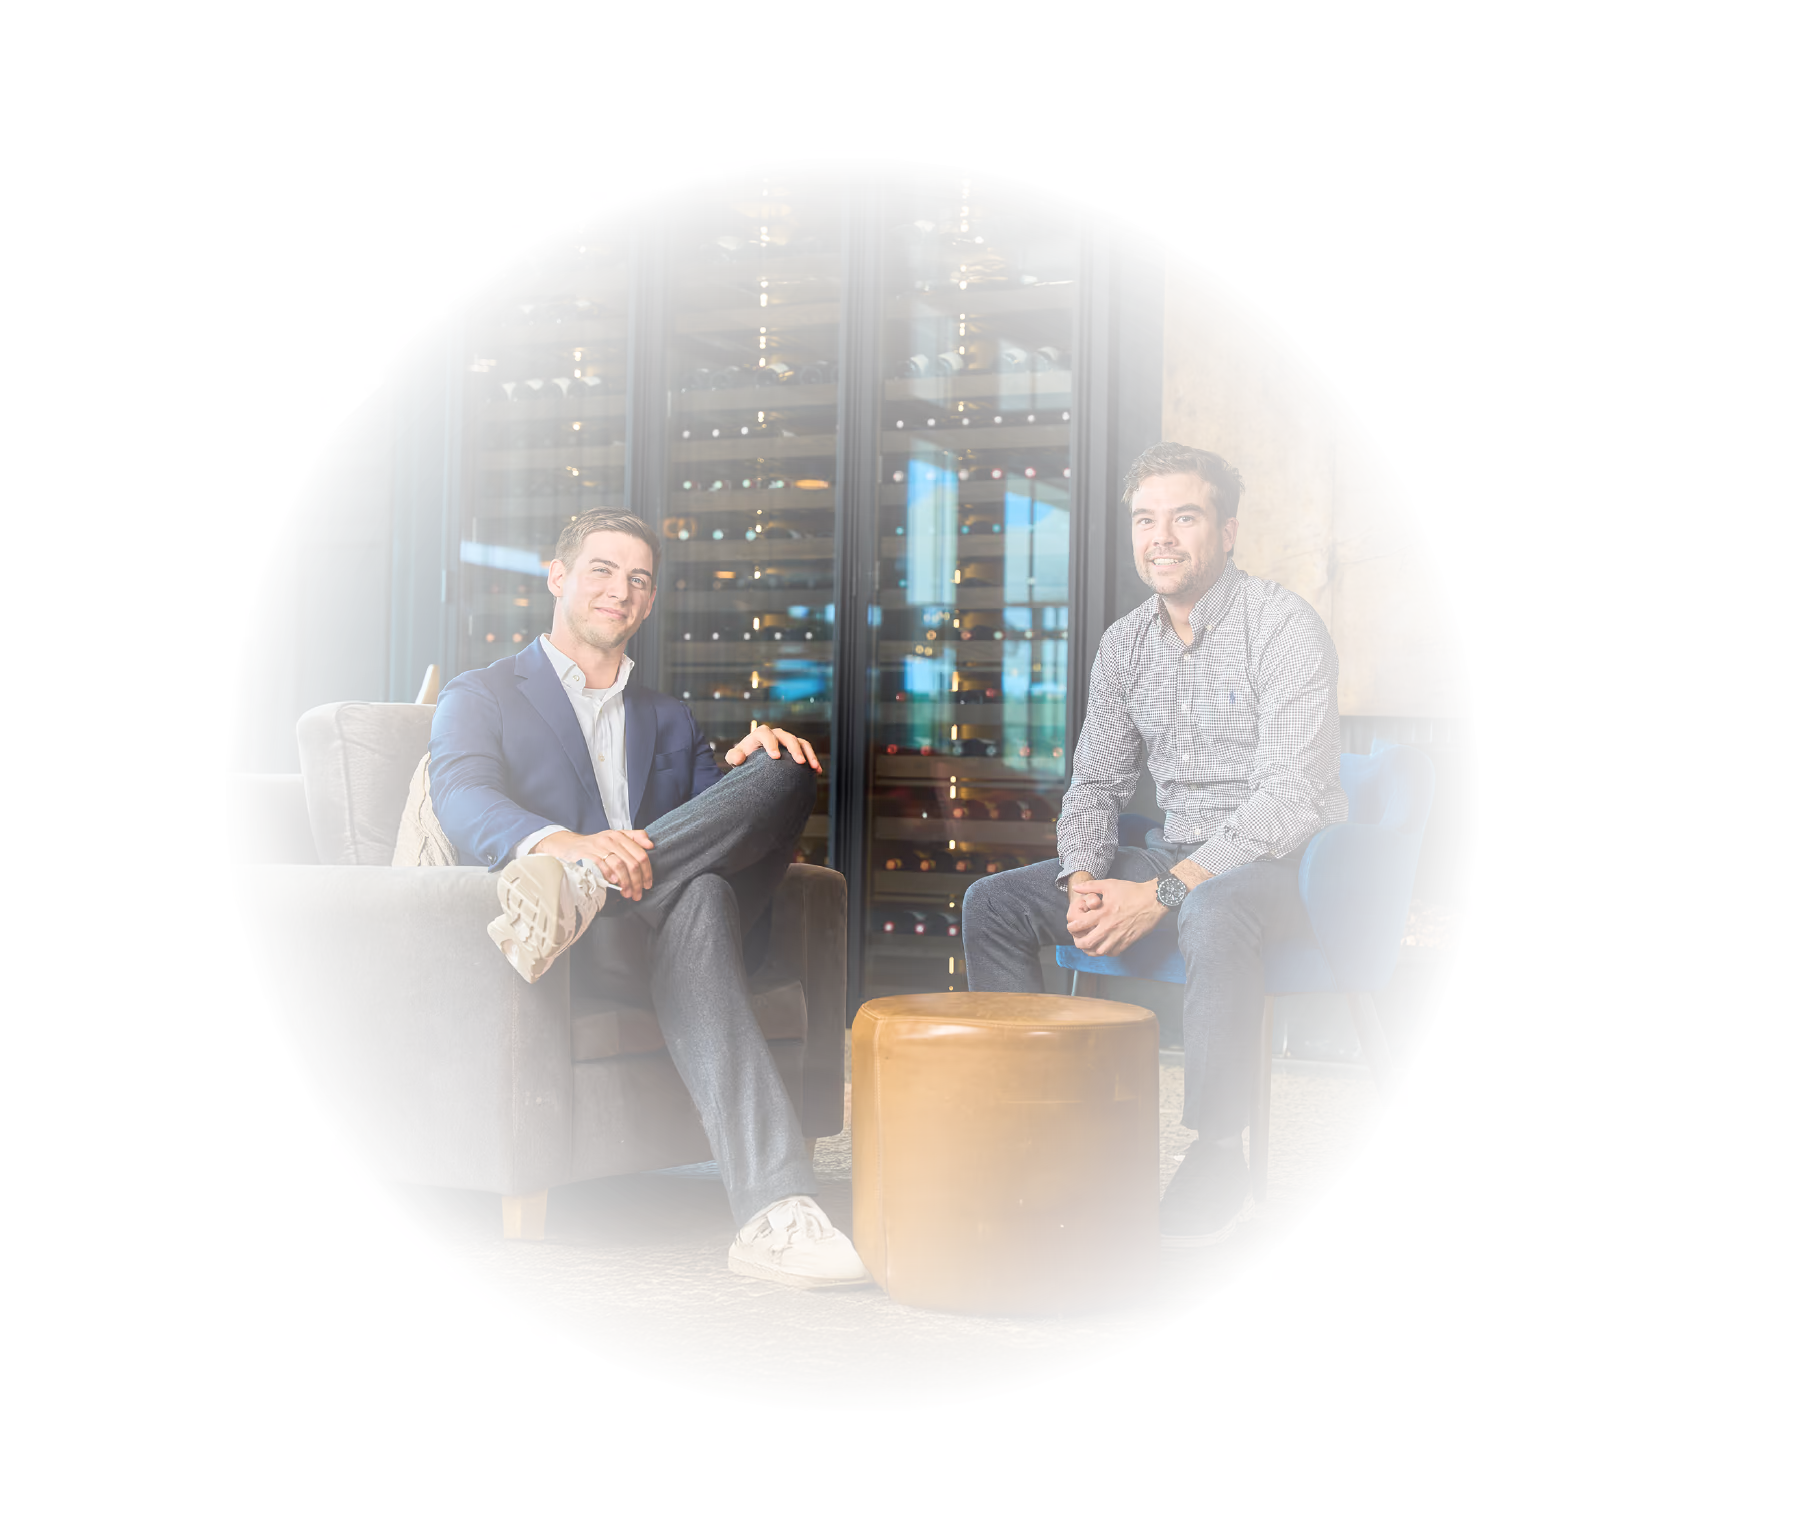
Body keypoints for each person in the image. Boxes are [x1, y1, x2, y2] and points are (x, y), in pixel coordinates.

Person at [428, 508, 870, 1291]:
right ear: (558, 579)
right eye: (601, 569)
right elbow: (462, 796)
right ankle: (776, 1213)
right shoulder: (485, 693)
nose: (619, 590)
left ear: (650, 602)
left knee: (783, 769)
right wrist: (570, 846)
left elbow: (721, 827)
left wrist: (737, 772)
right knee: (697, 895)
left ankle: (585, 893)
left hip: (651, 915)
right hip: (589, 950)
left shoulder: (668, 717)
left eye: (638, 579)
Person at [962, 441, 1347, 1248]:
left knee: (1211, 910)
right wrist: (1080, 879)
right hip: (1172, 850)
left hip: (1289, 867)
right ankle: (1037, 1118)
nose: (1161, 537)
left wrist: (1163, 894)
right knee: (993, 903)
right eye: (1146, 519)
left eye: (1184, 516)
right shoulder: (1125, 643)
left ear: (1227, 530)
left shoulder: (1283, 628)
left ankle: (1217, 1150)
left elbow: (1288, 798)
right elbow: (1098, 785)